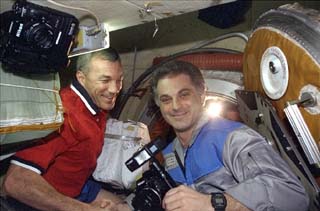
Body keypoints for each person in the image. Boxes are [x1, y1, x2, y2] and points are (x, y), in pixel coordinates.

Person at [150, 60, 309, 211]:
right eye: (166, 99)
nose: (176, 106)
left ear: (202, 94)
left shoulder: (234, 138)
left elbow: (292, 194)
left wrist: (212, 204)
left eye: (184, 95)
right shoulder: (169, 153)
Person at [3, 48, 127, 211]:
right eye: (105, 80)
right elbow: (16, 181)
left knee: (124, 206)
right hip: (45, 200)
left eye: (119, 80)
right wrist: (84, 209)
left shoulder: (96, 104)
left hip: (78, 187)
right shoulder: (63, 116)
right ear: (81, 78)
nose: (114, 89)